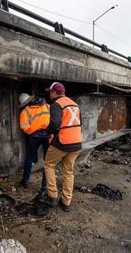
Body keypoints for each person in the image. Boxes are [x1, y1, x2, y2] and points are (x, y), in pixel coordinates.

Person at [40, 82, 82, 212]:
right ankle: (66, 202)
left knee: (48, 164)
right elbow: (78, 123)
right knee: (68, 172)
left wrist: (47, 132)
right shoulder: (74, 104)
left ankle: (52, 195)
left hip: (63, 142)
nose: (49, 94)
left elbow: (55, 124)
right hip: (77, 143)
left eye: (50, 92)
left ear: (54, 92)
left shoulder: (56, 104)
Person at [18, 93, 50, 192]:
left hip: (34, 137)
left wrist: (33, 132)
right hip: (48, 135)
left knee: (29, 158)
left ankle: (25, 181)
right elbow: (54, 120)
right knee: (47, 161)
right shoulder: (47, 106)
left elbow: (25, 127)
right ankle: (44, 186)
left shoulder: (25, 111)